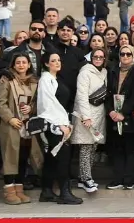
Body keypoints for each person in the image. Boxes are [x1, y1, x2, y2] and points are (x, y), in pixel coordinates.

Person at [0, 52, 41, 204]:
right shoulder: (6, 79)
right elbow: (0, 103)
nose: (21, 65)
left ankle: (19, 190)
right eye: (18, 62)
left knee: (22, 158)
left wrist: (31, 109)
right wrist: (11, 118)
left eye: (24, 62)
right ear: (13, 65)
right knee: (10, 158)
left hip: (27, 127)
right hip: (11, 126)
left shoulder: (34, 81)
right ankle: (9, 191)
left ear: (29, 65)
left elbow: (37, 103)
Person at [38, 52, 82, 204]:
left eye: (58, 60)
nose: (57, 62)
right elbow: (47, 104)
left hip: (61, 122)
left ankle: (47, 191)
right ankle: (65, 193)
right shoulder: (45, 79)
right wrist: (60, 125)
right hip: (53, 124)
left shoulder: (56, 79)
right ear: (46, 63)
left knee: (52, 158)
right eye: (53, 60)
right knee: (63, 157)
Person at [105, 44, 134, 190]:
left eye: (128, 54)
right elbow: (108, 93)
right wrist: (111, 111)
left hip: (130, 117)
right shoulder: (113, 70)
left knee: (131, 150)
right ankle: (118, 179)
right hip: (114, 117)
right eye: (123, 54)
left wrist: (123, 113)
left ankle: (129, 180)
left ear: (132, 55)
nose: (125, 56)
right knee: (117, 150)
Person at [73, 48, 107, 193]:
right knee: (86, 147)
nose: (98, 59)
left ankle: (83, 178)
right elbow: (81, 95)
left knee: (93, 147)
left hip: (99, 114)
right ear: (91, 58)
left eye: (101, 57)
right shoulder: (84, 72)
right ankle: (87, 179)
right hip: (85, 114)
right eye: (96, 56)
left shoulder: (104, 73)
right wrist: (86, 116)